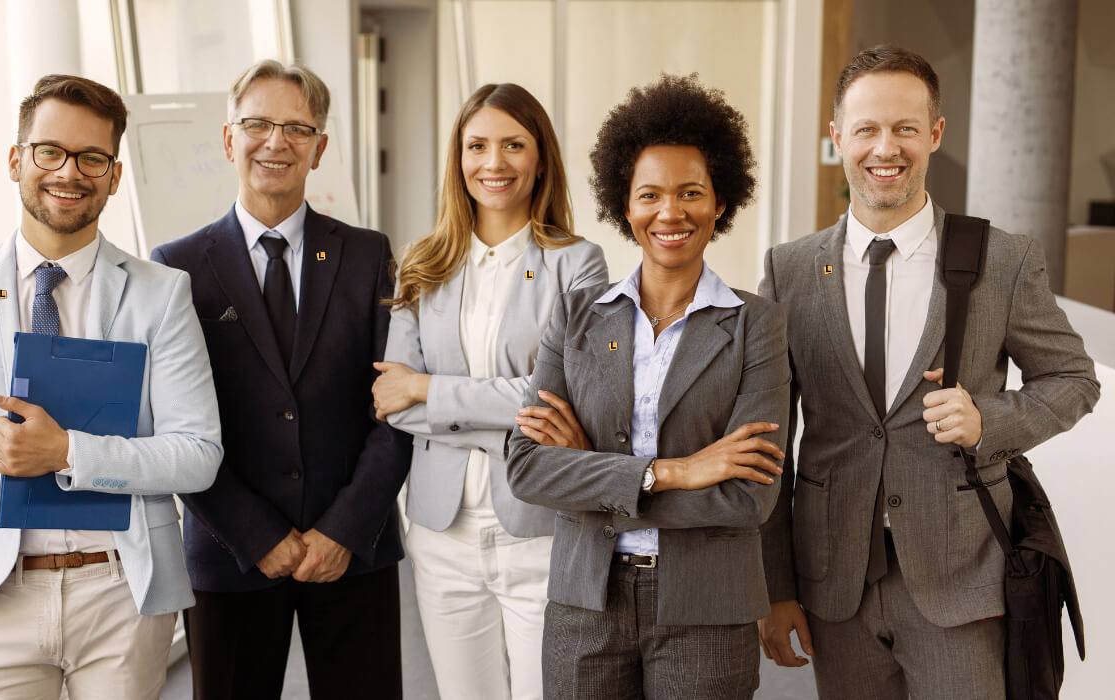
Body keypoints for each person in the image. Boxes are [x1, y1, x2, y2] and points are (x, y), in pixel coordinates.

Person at [756, 45, 1101, 699]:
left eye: (905, 128)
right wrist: (775, 588)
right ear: (838, 138)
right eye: (867, 129)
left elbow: (1075, 380)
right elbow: (769, 442)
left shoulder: (1002, 259)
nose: (886, 148)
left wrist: (987, 420)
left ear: (935, 133)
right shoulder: (789, 270)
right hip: (835, 584)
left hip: (962, 583)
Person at [0, 74, 222, 699]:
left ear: (113, 174)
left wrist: (66, 453)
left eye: (92, 158)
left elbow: (198, 454)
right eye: (50, 151)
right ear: (16, 160)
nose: (69, 172)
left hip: (120, 594)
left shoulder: (162, 294)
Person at [505, 74, 790, 700]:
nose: (671, 212)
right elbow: (527, 470)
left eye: (691, 192)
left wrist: (590, 472)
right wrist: (675, 471)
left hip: (708, 611)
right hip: (585, 602)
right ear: (624, 206)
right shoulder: (576, 316)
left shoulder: (757, 326)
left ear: (720, 204)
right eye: (650, 195)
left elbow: (748, 500)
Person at [151, 60, 410, 699]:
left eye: (297, 128)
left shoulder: (368, 254)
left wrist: (342, 530)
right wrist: (256, 534)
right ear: (228, 139)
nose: (277, 142)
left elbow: (398, 406)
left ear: (319, 149)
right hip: (230, 552)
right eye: (258, 124)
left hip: (353, 549)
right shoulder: (177, 268)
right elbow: (173, 422)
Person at [372, 83, 606, 700]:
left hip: (538, 525)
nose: (493, 162)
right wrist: (506, 408)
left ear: (540, 159)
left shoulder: (578, 264)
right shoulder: (422, 262)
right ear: (459, 158)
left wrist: (428, 388)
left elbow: (562, 398)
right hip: (440, 530)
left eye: (513, 145)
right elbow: (393, 403)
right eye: (477, 146)